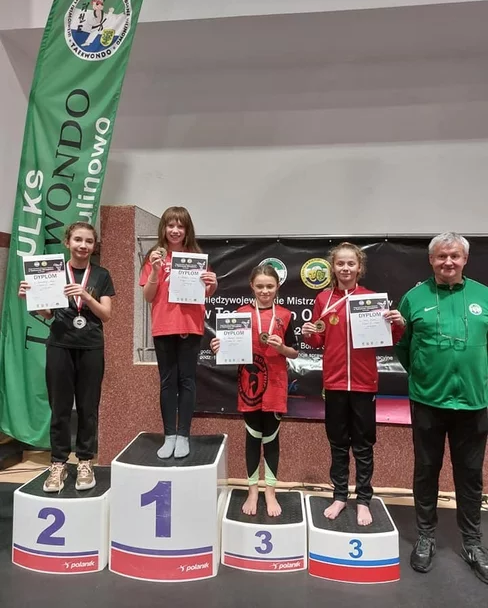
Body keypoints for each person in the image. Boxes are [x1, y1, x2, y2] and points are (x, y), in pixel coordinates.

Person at [396, 232, 488, 584]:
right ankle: (425, 536)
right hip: (427, 401)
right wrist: (424, 374)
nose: (448, 262)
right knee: (426, 470)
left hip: (473, 402)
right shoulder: (414, 298)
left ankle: (472, 543)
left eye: (454, 256)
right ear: (431, 260)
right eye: (441, 256)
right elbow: (402, 346)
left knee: (470, 475)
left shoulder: (483, 296)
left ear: (465, 259)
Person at [302, 242, 405, 526]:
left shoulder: (371, 299)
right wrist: (309, 333)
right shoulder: (323, 299)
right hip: (334, 383)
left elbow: (389, 339)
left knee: (363, 445)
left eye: (351, 263)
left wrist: (397, 324)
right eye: (340, 263)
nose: (345, 268)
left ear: (359, 267)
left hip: (363, 383)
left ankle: (363, 500)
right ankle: (339, 496)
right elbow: (318, 340)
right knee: (338, 443)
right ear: (333, 268)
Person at [18, 222, 115, 492]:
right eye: (78, 240)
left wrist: (86, 296)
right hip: (59, 345)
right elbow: (48, 313)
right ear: (67, 242)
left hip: (91, 347)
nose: (83, 245)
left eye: (89, 241)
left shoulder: (101, 275)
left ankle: (85, 461)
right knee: (60, 408)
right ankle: (58, 463)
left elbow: (106, 314)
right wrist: (31, 297)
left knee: (88, 408)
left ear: (94, 246)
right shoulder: (53, 272)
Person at [210, 264, 298, 517]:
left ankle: (270, 491)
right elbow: (229, 349)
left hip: (276, 385)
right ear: (251, 286)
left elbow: (294, 352)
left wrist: (281, 348)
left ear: (277, 286)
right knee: (252, 438)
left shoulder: (285, 315)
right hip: (249, 385)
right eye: (260, 286)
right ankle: (252, 490)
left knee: (271, 439)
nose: (264, 291)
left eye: (269, 286)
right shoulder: (240, 313)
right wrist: (219, 347)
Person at [139, 206, 217, 459]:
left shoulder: (196, 258)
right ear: (163, 228)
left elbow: (206, 293)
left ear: (187, 230)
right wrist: (155, 270)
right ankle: (169, 435)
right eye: (170, 225)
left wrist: (213, 284)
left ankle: (183, 435)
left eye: (180, 226)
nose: (175, 230)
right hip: (163, 327)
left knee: (187, 381)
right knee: (167, 382)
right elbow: (148, 296)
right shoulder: (154, 256)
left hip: (190, 327)